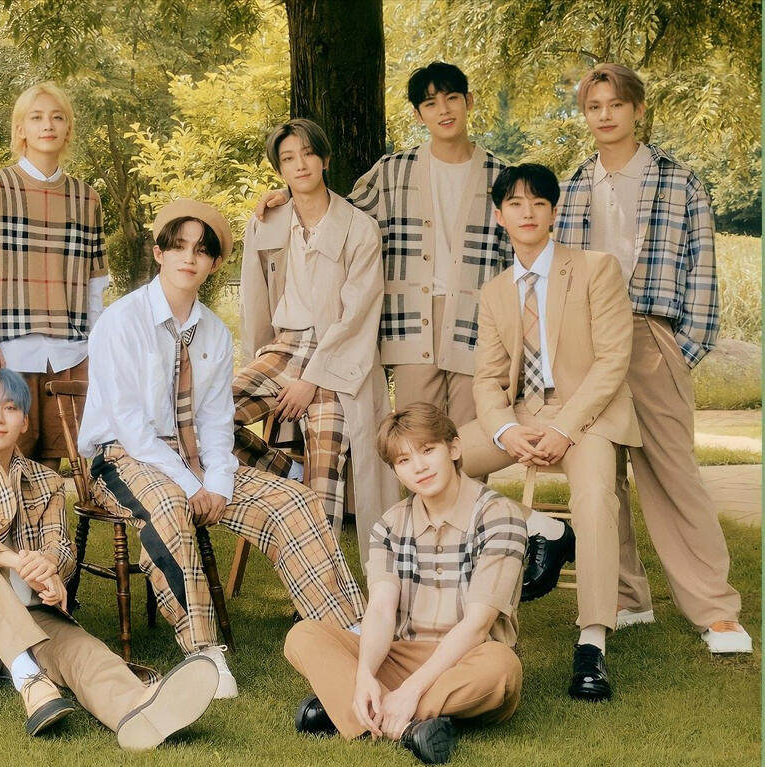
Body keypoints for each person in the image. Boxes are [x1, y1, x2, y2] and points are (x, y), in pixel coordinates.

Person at [78, 198, 366, 699]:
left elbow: (215, 421)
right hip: (122, 456)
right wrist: (191, 486)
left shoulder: (212, 331)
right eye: (179, 247)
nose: (189, 258)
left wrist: (216, 483)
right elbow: (131, 427)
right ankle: (205, 654)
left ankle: (351, 633)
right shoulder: (121, 322)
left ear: (214, 264)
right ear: (159, 253)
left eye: (202, 250)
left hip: (192, 457)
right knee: (169, 504)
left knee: (293, 500)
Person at [0, 368, 220, 750]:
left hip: (30, 617)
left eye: (10, 408)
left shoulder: (46, 481)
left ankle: (136, 708)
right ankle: (30, 681)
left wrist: (51, 567)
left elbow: (60, 544)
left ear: (25, 422)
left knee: (80, 648)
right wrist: (14, 560)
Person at [555, 63, 751, 655]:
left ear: (638, 110)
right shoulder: (574, 185)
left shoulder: (679, 181)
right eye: (594, 107)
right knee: (600, 470)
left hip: (650, 333)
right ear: (585, 115)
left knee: (673, 474)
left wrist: (680, 351)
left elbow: (702, 270)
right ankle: (625, 596)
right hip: (586, 341)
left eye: (616, 104)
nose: (605, 115)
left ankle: (715, 609)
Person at [453, 163, 638, 700]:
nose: (527, 212)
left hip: (587, 416)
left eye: (538, 202)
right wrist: (505, 430)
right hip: (522, 415)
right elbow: (488, 379)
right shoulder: (494, 292)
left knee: (596, 496)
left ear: (554, 211)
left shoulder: (596, 269)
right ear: (499, 216)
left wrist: (565, 426)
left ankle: (592, 642)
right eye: (515, 203)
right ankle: (542, 529)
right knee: (437, 460)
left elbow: (612, 361)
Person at [255, 62, 512, 426]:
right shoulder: (393, 171)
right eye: (430, 104)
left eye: (452, 98)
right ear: (418, 114)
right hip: (411, 324)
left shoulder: (502, 177)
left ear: (468, 101)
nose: (444, 110)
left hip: (479, 323)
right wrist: (290, 195)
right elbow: (341, 214)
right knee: (416, 435)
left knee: (471, 434)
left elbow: (518, 258)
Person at [285, 404, 526, 765]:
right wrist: (365, 674)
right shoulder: (390, 524)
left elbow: (478, 625)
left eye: (428, 450)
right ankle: (411, 723)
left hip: (469, 657)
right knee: (303, 635)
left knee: (502, 668)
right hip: (402, 654)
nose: (419, 467)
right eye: (404, 460)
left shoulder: (499, 515)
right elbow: (381, 610)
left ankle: (361, 711)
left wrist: (411, 690)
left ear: (454, 448)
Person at [234, 118, 397, 557]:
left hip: (337, 357)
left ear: (325, 159)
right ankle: (287, 476)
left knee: (325, 471)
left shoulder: (359, 228)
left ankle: (320, 580)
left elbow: (358, 317)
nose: (300, 164)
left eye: (308, 153)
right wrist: (258, 360)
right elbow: (255, 302)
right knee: (206, 417)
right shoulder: (265, 224)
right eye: (288, 158)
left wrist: (312, 380)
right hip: (284, 347)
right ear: (280, 170)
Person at [0, 81, 108, 466]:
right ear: (20, 128)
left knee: (54, 465)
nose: (48, 125)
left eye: (57, 117)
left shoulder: (87, 198)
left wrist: (95, 346)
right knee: (4, 460)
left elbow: (95, 282)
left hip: (71, 352)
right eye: (37, 117)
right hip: (10, 350)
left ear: (68, 128)